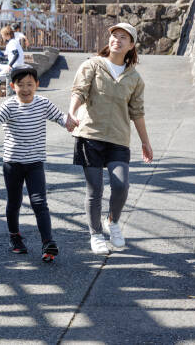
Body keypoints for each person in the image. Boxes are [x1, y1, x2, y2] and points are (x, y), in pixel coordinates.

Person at [68, 22, 153, 255]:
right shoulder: (92, 65)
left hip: (118, 138)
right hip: (90, 135)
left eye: (123, 37)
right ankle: (95, 234)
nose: (117, 39)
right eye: (114, 35)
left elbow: (137, 112)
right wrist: (72, 112)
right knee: (94, 189)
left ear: (131, 45)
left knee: (121, 185)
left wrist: (145, 142)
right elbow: (79, 91)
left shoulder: (135, 78)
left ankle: (112, 221)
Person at [0, 66, 77, 262]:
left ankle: (48, 242)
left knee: (39, 202)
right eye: (21, 85)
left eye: (29, 84)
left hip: (35, 163)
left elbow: (60, 118)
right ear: (12, 86)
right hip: (13, 163)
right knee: (14, 201)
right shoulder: (9, 106)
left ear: (37, 85)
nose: (25, 89)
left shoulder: (43, 103)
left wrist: (70, 122)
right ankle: (15, 237)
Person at [0, 26, 25, 99]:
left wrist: (10, 65)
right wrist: (0, 58)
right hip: (17, 65)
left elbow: (16, 54)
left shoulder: (12, 43)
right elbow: (10, 56)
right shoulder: (13, 42)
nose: (2, 36)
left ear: (7, 35)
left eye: (2, 35)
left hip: (15, 66)